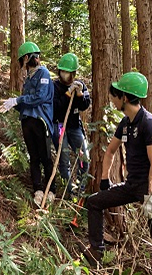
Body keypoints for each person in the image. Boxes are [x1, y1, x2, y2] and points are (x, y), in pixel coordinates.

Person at [82, 72, 152, 275]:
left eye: (114, 95)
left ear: (124, 97)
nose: (111, 99)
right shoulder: (126, 123)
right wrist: (105, 179)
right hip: (132, 184)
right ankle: (96, 252)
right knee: (94, 202)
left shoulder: (150, 124)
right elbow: (110, 151)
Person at [0, 41, 56, 208]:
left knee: (45, 157)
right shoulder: (28, 78)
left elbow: (40, 97)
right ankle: (37, 189)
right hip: (27, 121)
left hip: (41, 121)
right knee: (34, 157)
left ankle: (51, 190)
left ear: (27, 58)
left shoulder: (43, 74)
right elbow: (26, 101)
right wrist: (13, 105)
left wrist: (18, 100)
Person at [52, 53, 91, 199]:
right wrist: (67, 94)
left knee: (84, 157)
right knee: (64, 159)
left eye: (68, 72)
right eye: (63, 71)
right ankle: (69, 191)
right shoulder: (54, 86)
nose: (65, 74)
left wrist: (80, 93)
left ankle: (81, 189)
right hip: (60, 126)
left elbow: (85, 105)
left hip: (75, 126)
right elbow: (55, 107)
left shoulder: (80, 85)